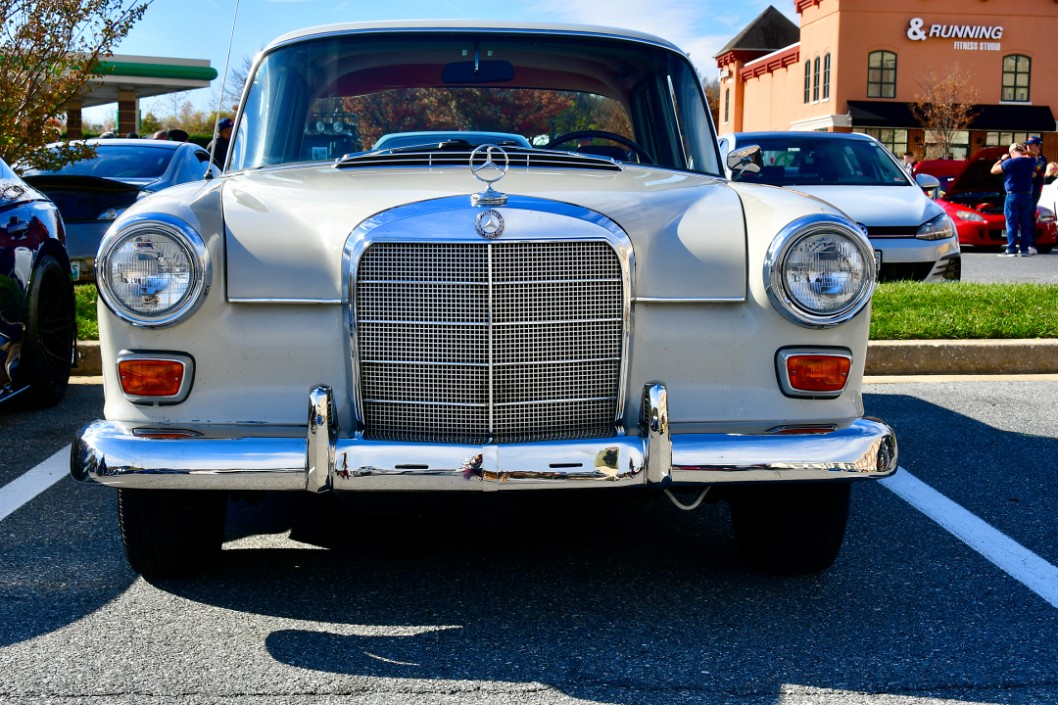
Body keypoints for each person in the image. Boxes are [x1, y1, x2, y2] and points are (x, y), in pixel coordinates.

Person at [990, 143, 1037, 256]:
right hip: (1027, 196)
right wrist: (1026, 152)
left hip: (1013, 196)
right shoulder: (1030, 162)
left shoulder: (1009, 162)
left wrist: (1001, 159)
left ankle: (1011, 250)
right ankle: (1024, 250)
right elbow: (1035, 156)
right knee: (1025, 224)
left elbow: (993, 171)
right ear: (1022, 151)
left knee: (1011, 224)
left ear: (1011, 153)